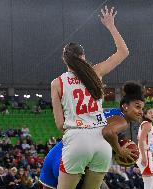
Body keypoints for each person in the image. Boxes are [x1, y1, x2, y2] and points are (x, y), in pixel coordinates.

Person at [50, 6, 129, 189]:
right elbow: (123, 52)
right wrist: (111, 26)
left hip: (77, 138)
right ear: (83, 56)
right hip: (101, 142)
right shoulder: (96, 72)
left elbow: (60, 125)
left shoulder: (57, 83)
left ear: (65, 61)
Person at [40, 81, 145, 189]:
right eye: (137, 107)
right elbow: (108, 132)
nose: (141, 112)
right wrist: (120, 151)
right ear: (125, 107)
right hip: (71, 159)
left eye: (142, 108)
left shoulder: (110, 113)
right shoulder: (122, 121)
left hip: (56, 152)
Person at [136, 107, 153, 189]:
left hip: (146, 153)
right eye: (150, 112)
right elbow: (141, 141)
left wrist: (152, 151)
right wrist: (144, 157)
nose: (152, 114)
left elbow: (143, 140)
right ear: (145, 115)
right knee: (149, 181)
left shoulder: (146, 124)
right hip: (144, 154)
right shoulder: (147, 124)